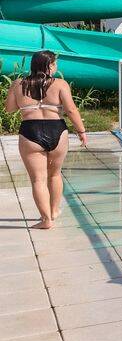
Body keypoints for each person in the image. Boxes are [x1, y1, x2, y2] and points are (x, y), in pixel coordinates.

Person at [4, 51, 87, 229]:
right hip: (57, 129)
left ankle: (46, 220)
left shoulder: (19, 84)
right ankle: (54, 210)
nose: (56, 67)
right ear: (49, 66)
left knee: (38, 180)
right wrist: (81, 131)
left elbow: (9, 109)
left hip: (30, 131)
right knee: (55, 174)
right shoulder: (60, 84)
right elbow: (71, 110)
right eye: (55, 64)